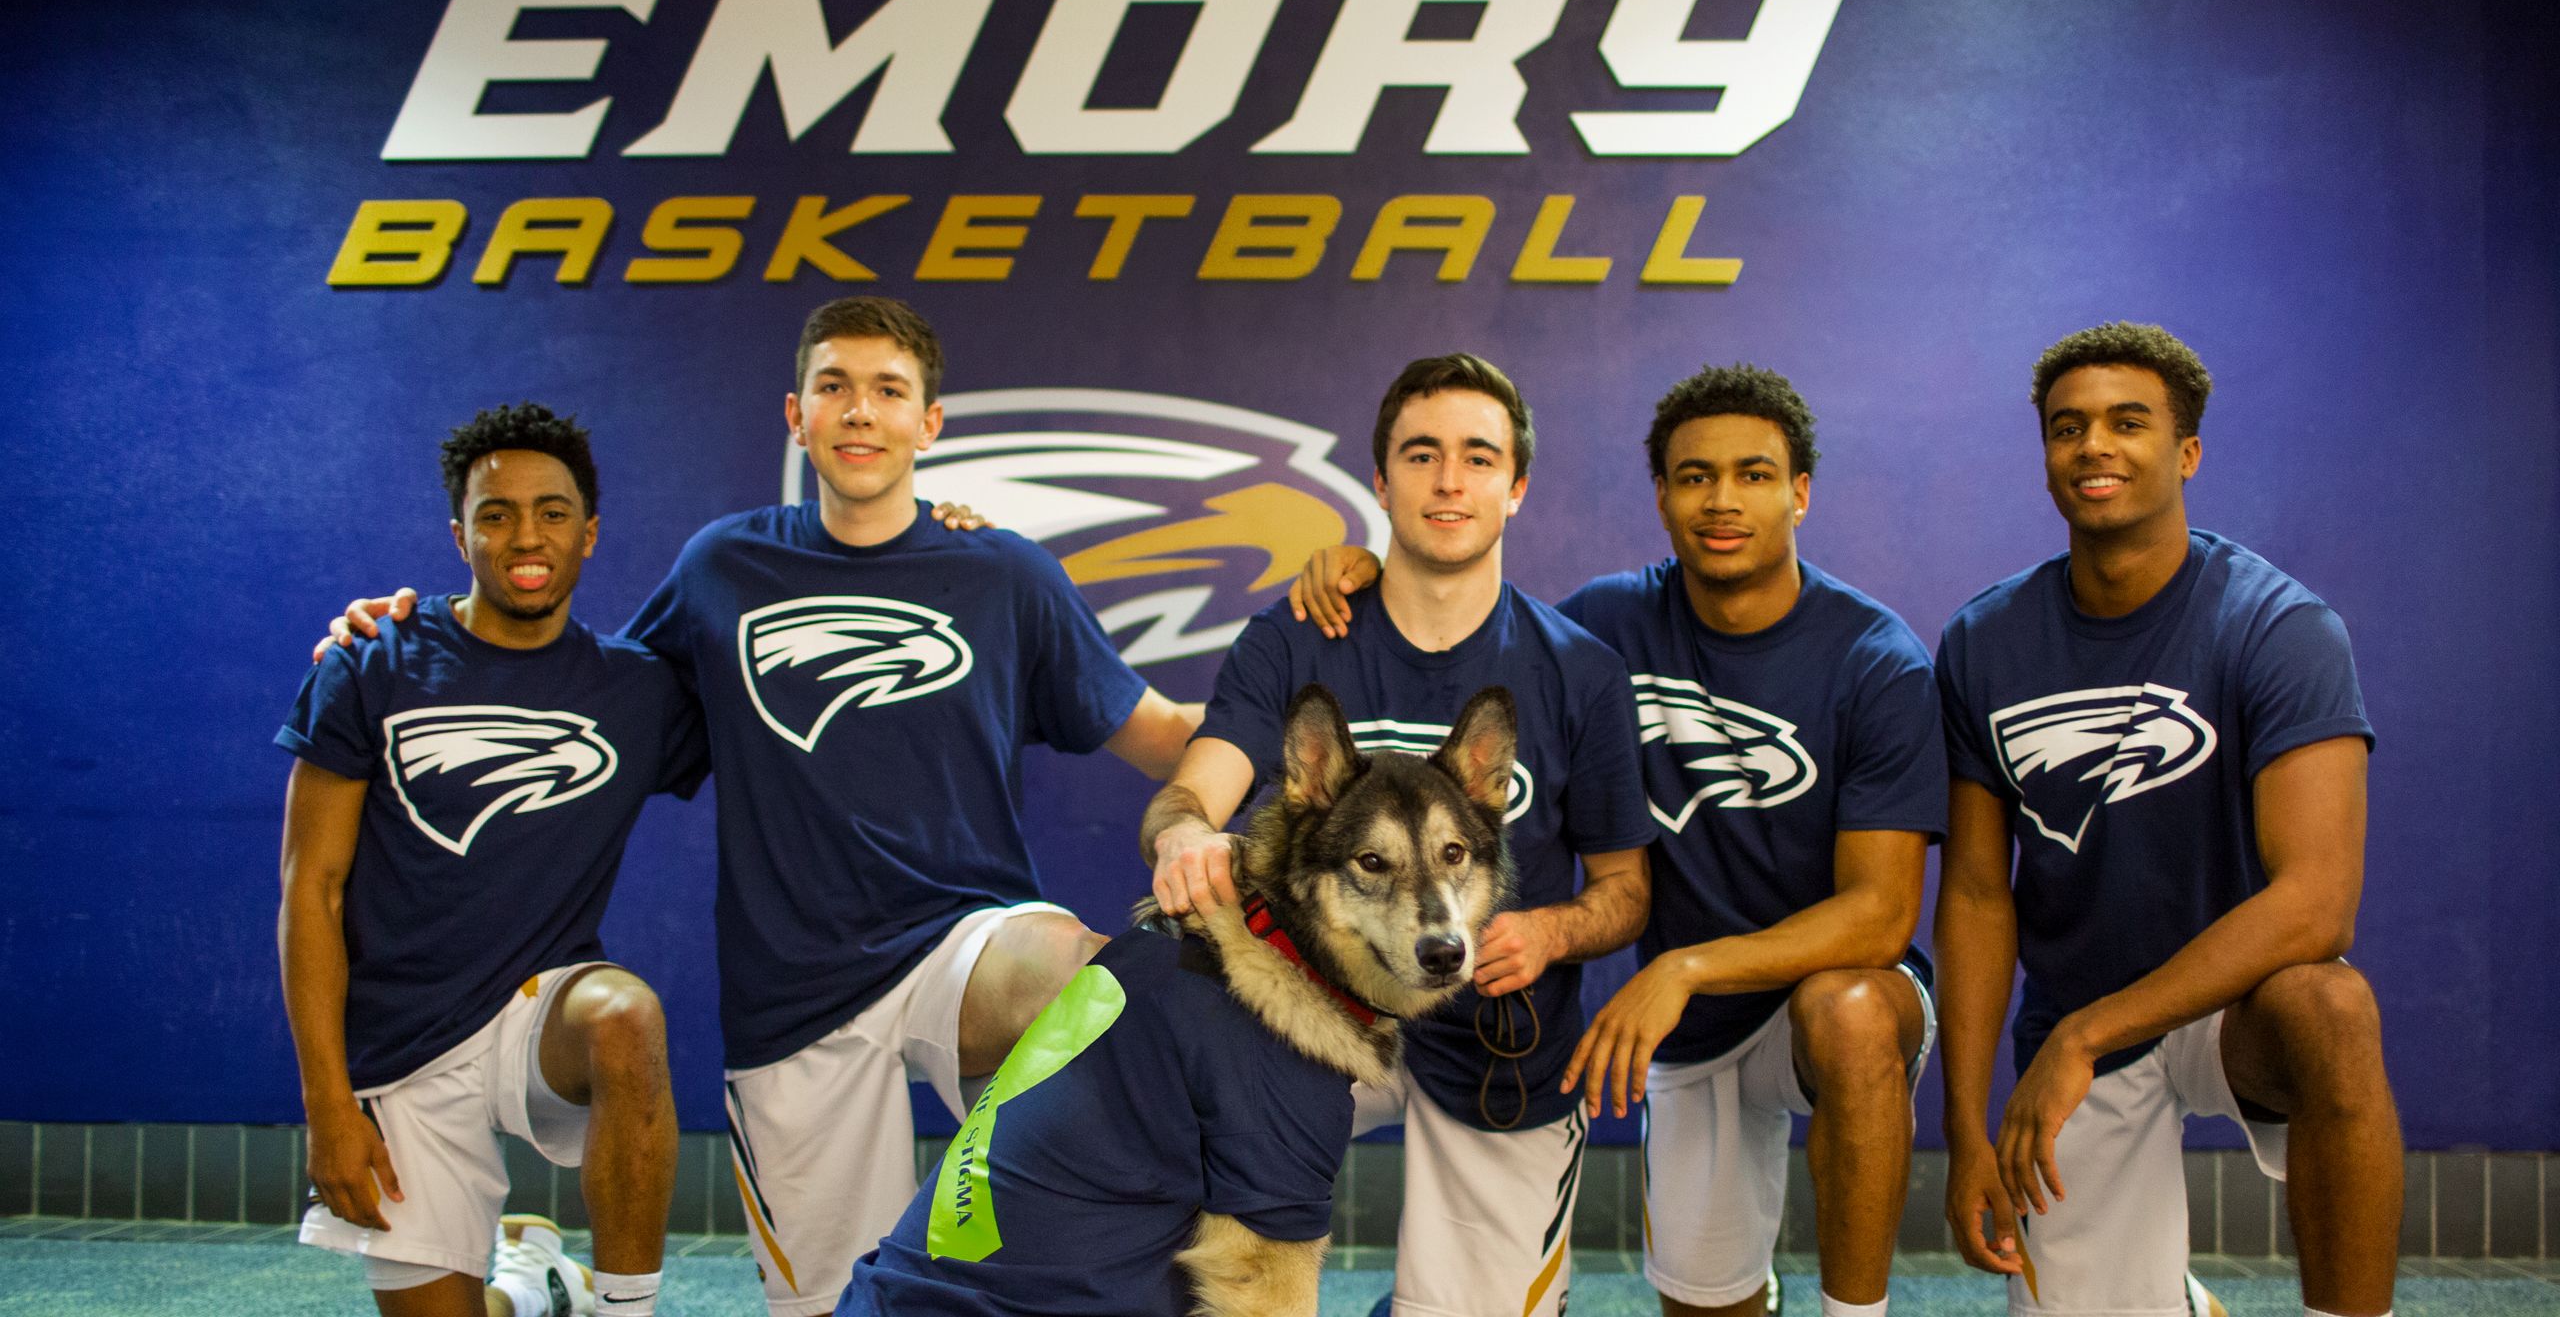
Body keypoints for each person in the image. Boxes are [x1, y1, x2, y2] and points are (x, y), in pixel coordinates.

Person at [326, 299, 1198, 1317]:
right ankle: (538, 1290)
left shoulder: (1003, 571)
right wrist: (408, 639)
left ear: (931, 425)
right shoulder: (720, 567)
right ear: (796, 416)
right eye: (834, 387)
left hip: (960, 946)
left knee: (1072, 979)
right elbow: (574, 691)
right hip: (794, 998)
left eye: (888, 391)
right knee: (831, 1306)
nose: (860, 412)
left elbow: (1167, 731)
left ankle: (1086, 1267)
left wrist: (1320, 710)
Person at [1296, 365, 1944, 1317]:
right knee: (1706, 1305)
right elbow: (1466, 616)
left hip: (1814, 989)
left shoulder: (1873, 660)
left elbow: (1882, 915)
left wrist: (1680, 970)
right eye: (1694, 476)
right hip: (1692, 1033)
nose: (1722, 500)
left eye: (1755, 475)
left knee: (1846, 1013)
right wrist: (1359, 565)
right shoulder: (1601, 629)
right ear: (1662, 496)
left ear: (1800, 491)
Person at [1147, 353, 1654, 1317]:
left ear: (1518, 487)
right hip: (1310, 1014)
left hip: (1503, 1048)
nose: (1450, 480)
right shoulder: (1298, 632)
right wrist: (1180, 836)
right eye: (1421, 456)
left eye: (1478, 457)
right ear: (1380, 483)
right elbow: (1189, 794)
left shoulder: (1579, 672)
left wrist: (1548, 932)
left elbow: (1626, 889)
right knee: (1197, 1258)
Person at [1935, 322, 2401, 1317]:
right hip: (2079, 1025)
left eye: (2126, 423)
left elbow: (2318, 905)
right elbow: (1976, 896)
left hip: (2229, 1008)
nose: (2093, 445)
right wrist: (1966, 1128)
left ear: (2185, 453)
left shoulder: (2277, 626)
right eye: (2068, 428)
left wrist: (2088, 1033)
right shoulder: (1981, 641)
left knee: (2331, 1006)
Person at [279, 404, 704, 1317]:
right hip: (401, 1050)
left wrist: (950, 538)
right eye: (496, 513)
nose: (525, 537)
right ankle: (537, 1290)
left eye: (552, 512)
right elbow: (308, 894)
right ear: (459, 533)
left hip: (536, 1015)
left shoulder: (641, 688)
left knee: (626, 1014)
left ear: (589, 534)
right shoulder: (369, 663)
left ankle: (626, 1309)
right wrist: (327, 1108)